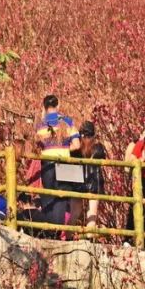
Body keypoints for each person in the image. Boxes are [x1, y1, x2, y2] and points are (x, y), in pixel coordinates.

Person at [33, 95, 80, 227]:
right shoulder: (67, 121)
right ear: (58, 105)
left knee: (49, 197)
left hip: (47, 164)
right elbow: (77, 145)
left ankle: (49, 228)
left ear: (44, 107)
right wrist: (65, 147)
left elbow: (37, 144)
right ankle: (58, 228)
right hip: (65, 163)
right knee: (63, 198)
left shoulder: (39, 124)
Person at [71, 120, 108, 230]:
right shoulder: (98, 147)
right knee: (92, 212)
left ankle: (67, 236)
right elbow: (101, 156)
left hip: (78, 180)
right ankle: (90, 236)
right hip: (94, 181)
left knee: (75, 212)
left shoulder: (76, 148)